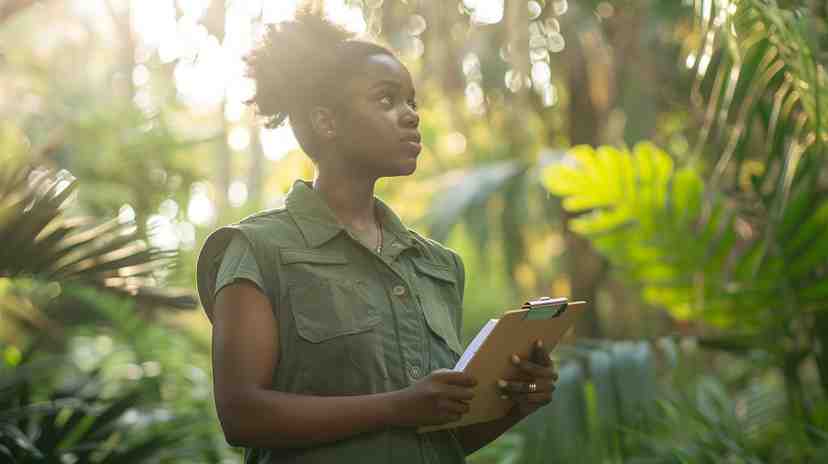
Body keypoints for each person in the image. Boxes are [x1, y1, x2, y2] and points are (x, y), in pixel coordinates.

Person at [196, 7, 558, 463]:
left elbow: (440, 437)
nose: (410, 117)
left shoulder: (437, 266)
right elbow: (242, 415)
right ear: (327, 122)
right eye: (387, 101)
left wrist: (516, 404)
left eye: (412, 102)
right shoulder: (257, 250)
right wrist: (397, 407)